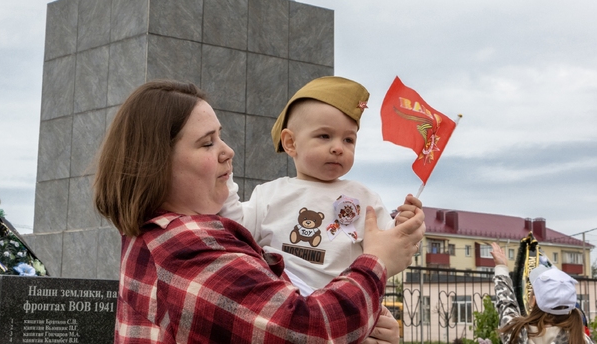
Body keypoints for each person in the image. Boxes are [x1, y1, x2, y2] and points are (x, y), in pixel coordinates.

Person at [93, 79, 425, 344]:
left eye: (221, 137)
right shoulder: (184, 247)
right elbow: (305, 330)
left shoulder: (169, 236)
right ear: (157, 161)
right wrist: (377, 264)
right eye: (207, 142)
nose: (228, 151)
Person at [220, 76, 422, 296]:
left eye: (348, 140)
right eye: (324, 136)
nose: (338, 148)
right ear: (291, 143)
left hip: (344, 302)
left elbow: (388, 246)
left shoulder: (364, 198)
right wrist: (224, 179)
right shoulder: (269, 194)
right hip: (280, 300)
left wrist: (403, 225)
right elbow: (235, 226)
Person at [489, 242, 594, 344]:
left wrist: (501, 267)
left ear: (534, 301)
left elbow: (506, 304)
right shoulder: (580, 339)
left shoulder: (517, 334)